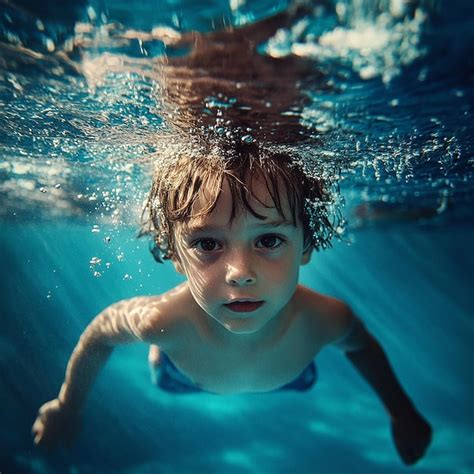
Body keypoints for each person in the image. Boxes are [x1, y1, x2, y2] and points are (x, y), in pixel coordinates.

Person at [32, 140, 432, 466]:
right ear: (174, 253)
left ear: (306, 245)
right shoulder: (162, 322)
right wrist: (67, 405)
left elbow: (363, 348)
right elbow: (101, 334)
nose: (239, 272)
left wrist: (401, 410)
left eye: (269, 240)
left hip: (289, 375)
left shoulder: (326, 319)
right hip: (182, 377)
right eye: (207, 243)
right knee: (161, 359)